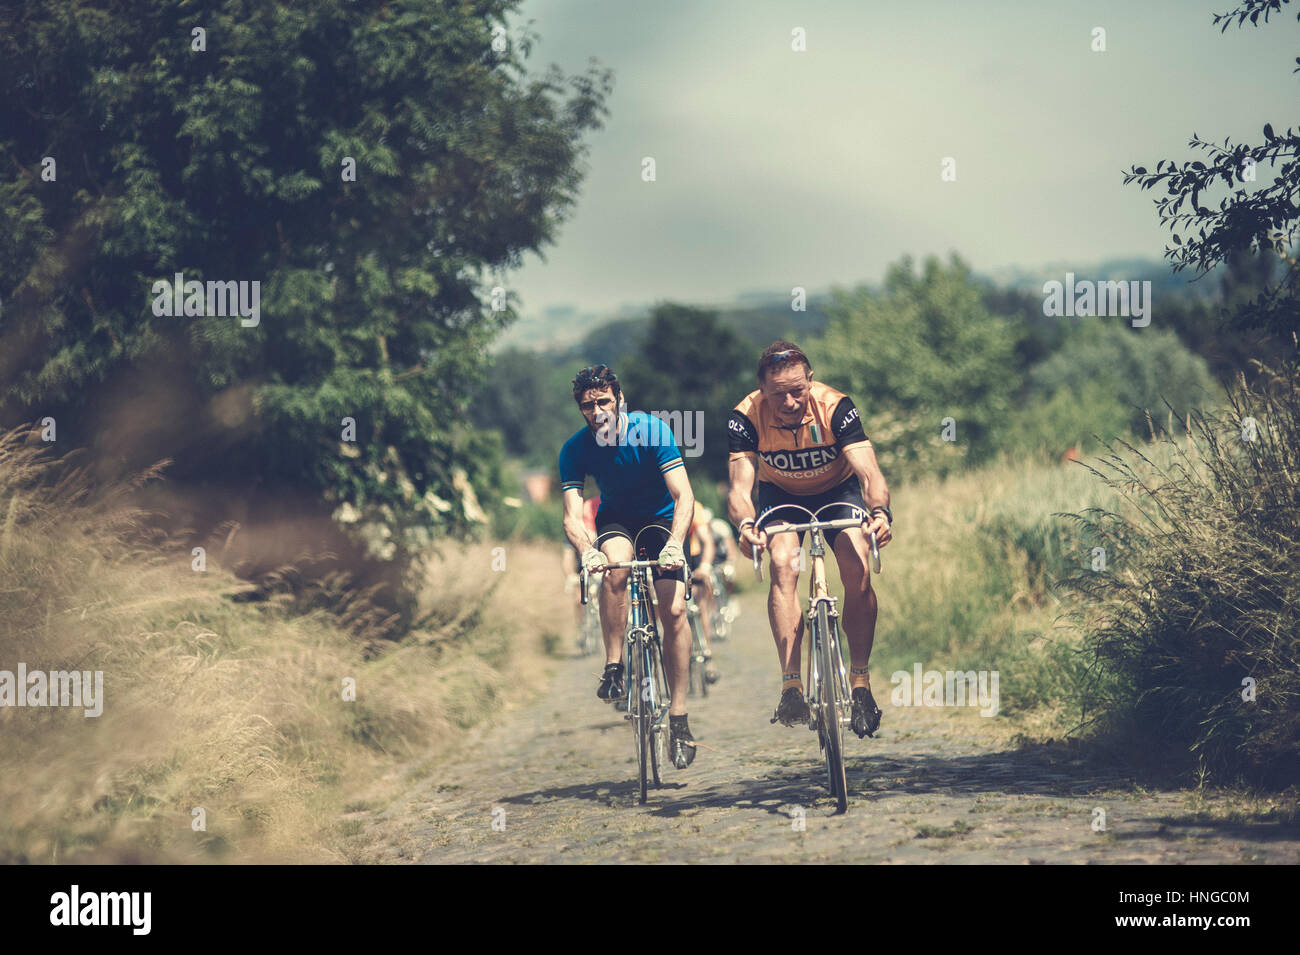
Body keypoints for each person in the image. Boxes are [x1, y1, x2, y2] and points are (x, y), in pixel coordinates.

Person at [726, 341, 893, 738]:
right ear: (761, 391)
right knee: (783, 563)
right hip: (780, 496)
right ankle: (791, 684)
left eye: (798, 390)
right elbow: (739, 487)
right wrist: (745, 524)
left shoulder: (836, 406)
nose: (789, 401)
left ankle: (860, 682)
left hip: (838, 492)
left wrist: (880, 513)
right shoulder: (745, 416)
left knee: (856, 565)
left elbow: (868, 472)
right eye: (778, 393)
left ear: (811, 381)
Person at [559, 364, 700, 768]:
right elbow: (572, 515)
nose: (597, 410)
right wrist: (588, 550)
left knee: (673, 610)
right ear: (581, 409)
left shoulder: (653, 431)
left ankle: (678, 715)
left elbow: (684, 495)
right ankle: (614, 666)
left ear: (619, 399)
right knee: (615, 568)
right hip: (617, 519)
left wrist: (675, 544)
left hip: (661, 519)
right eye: (588, 405)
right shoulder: (575, 448)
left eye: (604, 400)